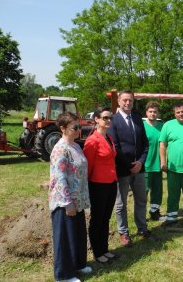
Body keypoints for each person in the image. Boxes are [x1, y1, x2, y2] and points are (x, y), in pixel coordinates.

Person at [49, 112, 92, 282]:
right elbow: (59, 178)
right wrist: (67, 203)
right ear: (63, 129)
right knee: (64, 239)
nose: (79, 130)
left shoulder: (75, 145)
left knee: (78, 234)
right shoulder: (60, 149)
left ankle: (79, 264)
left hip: (78, 199)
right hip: (65, 202)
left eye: (79, 126)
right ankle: (64, 275)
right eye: (75, 127)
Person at [108, 90, 150, 247]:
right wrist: (129, 165)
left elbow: (145, 143)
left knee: (141, 200)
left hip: (139, 168)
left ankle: (142, 227)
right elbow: (115, 147)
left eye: (130, 100)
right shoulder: (113, 120)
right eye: (125, 100)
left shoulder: (138, 119)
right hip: (122, 169)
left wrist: (140, 162)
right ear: (118, 101)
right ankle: (123, 232)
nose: (128, 103)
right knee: (121, 204)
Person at [83, 107, 117, 264]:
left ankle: (104, 249)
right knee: (97, 219)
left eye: (110, 117)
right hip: (98, 185)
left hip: (111, 183)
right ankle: (98, 252)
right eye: (105, 118)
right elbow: (87, 167)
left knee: (106, 218)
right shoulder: (92, 140)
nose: (108, 120)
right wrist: (87, 187)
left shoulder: (109, 137)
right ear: (96, 119)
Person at [159, 102, 183, 228]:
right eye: (178, 112)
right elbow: (162, 144)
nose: (181, 114)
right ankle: (171, 217)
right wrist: (163, 161)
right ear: (174, 114)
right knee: (173, 194)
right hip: (173, 168)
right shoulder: (168, 125)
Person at [143, 101, 164, 221]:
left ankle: (154, 212)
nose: (153, 114)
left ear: (158, 113)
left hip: (159, 164)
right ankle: (141, 215)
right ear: (146, 113)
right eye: (150, 111)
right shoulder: (142, 126)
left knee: (157, 191)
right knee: (143, 192)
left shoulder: (162, 126)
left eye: (155, 112)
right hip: (145, 165)